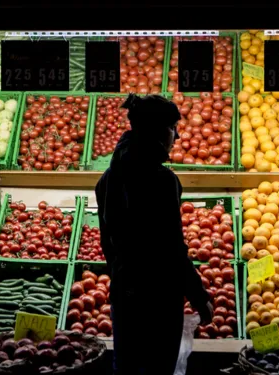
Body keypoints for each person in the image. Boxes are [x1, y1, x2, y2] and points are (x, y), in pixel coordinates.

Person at [95, 93, 214, 375]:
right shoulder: (161, 180)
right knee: (158, 368)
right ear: (161, 131)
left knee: (127, 366)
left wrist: (120, 273)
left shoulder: (110, 175)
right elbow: (172, 248)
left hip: (125, 291)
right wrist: (198, 296)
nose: (178, 135)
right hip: (158, 297)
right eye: (174, 127)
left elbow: (106, 240)